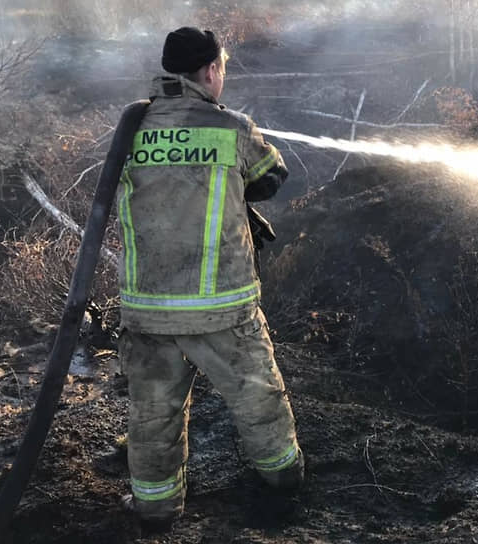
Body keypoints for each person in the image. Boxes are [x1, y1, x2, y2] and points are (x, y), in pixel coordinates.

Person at [116, 27, 303, 526]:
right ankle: (283, 482)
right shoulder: (231, 128)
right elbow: (272, 178)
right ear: (210, 71)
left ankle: (155, 507)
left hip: (148, 307)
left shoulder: (131, 129)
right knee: (258, 398)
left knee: (153, 413)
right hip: (221, 304)